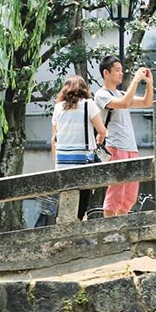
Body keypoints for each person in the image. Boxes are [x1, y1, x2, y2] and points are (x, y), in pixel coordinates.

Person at [93, 55, 153, 216]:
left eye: (121, 70)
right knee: (116, 192)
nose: (121, 74)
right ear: (106, 73)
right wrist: (135, 80)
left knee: (130, 195)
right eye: (117, 70)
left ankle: (121, 225)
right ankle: (110, 226)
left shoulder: (120, 93)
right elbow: (124, 103)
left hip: (130, 147)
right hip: (115, 146)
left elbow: (146, 102)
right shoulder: (101, 95)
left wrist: (149, 83)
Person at [50, 76, 108, 222]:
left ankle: (61, 223)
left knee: (65, 195)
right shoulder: (89, 105)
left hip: (62, 160)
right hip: (82, 159)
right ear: (84, 90)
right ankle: (79, 219)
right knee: (83, 194)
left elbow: (54, 138)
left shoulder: (58, 107)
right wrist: (99, 139)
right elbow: (102, 131)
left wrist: (55, 161)